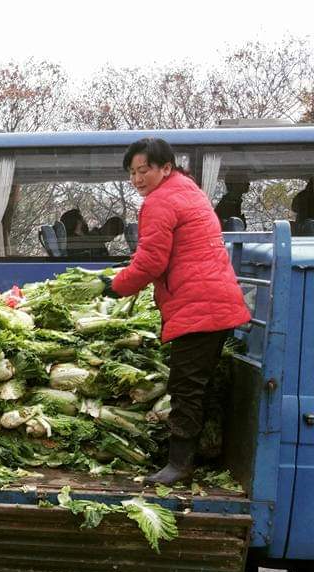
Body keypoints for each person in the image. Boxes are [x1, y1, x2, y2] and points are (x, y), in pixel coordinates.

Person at [102, 138, 250, 485]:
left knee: (185, 388)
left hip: (199, 305)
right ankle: (197, 456)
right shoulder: (188, 190)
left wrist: (115, 285)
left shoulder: (160, 201)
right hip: (211, 300)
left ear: (165, 168)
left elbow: (151, 261)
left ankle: (179, 466)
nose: (137, 179)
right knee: (196, 386)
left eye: (144, 170)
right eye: (132, 172)